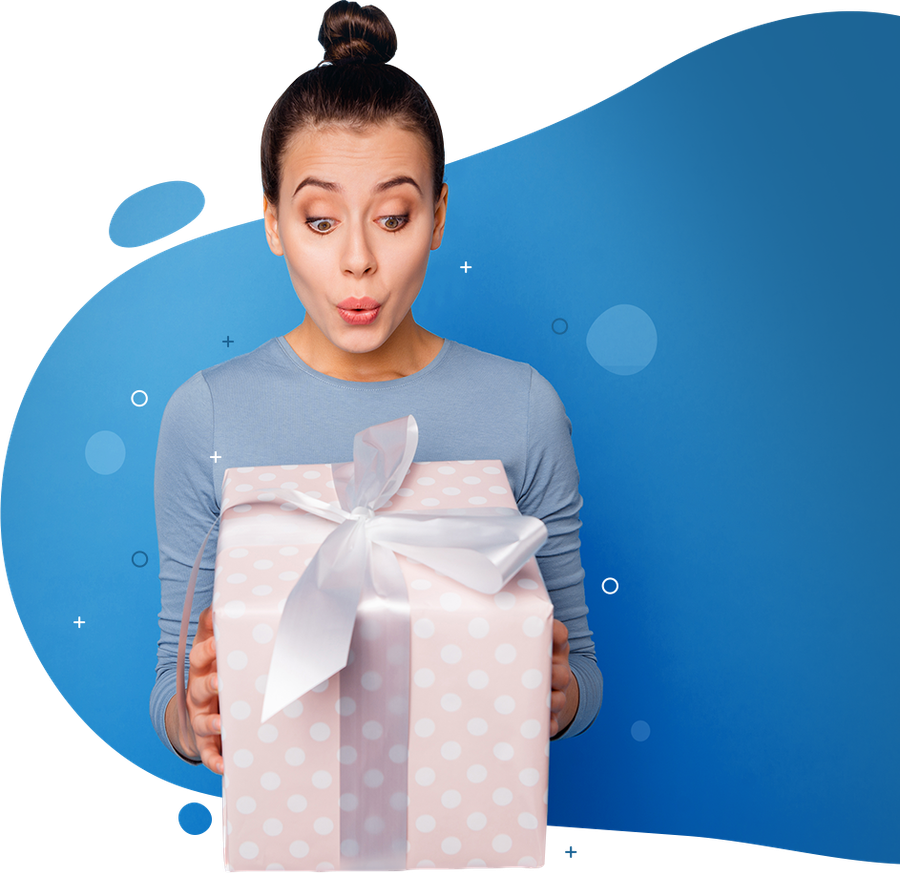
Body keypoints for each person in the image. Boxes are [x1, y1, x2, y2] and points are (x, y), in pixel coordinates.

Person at [152, 0, 602, 777]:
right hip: (284, 844)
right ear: (270, 221)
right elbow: (173, 675)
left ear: (436, 216)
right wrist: (193, 717)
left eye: (392, 217)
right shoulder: (209, 413)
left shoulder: (523, 408)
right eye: (321, 220)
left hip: (470, 839)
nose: (357, 260)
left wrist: (560, 695)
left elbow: (582, 671)